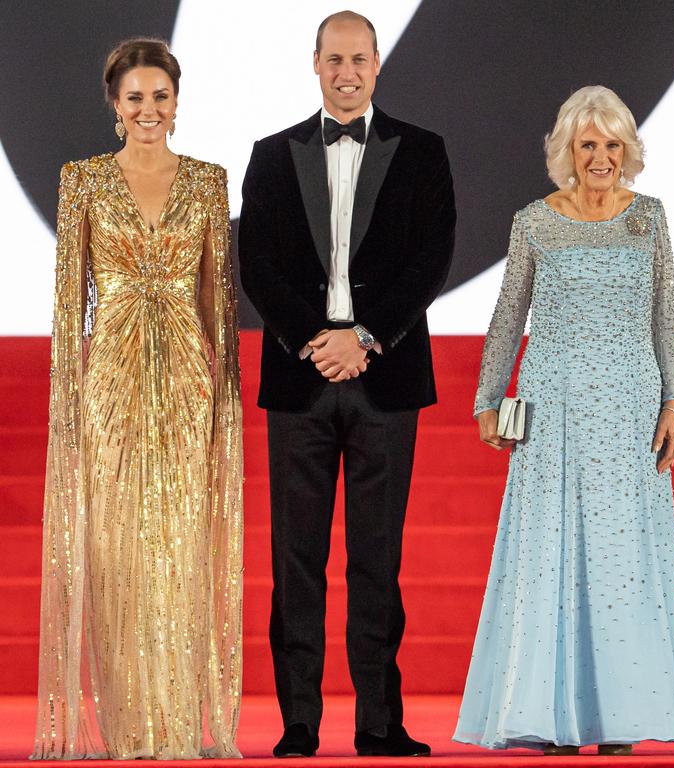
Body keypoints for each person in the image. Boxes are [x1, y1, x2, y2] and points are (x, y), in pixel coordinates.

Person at [453, 85, 674, 756]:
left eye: (611, 144)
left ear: (628, 149)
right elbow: (510, 315)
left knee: (622, 562)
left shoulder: (649, 217)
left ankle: (618, 719)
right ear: (567, 151)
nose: (600, 156)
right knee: (552, 557)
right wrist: (487, 399)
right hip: (555, 405)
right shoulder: (534, 221)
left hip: (630, 408)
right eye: (587, 144)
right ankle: (553, 713)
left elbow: (666, 315)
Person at [238, 10, 455, 759]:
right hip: (300, 381)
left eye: (359, 58)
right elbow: (255, 265)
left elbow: (432, 260)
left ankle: (379, 723)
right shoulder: (271, 155)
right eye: (334, 59)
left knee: (377, 557)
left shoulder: (423, 152)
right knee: (295, 558)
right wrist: (313, 340)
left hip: (384, 375)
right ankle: (298, 723)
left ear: (377, 63)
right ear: (315, 63)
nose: (347, 72)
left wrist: (362, 338)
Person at [32, 38, 243, 760]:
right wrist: (69, 404)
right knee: (119, 549)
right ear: (114, 107)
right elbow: (68, 306)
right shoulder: (81, 181)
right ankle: (128, 727)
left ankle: (179, 721)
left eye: (160, 96)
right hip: (111, 382)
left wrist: (224, 402)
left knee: (179, 546)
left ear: (177, 102)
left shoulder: (210, 182)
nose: (149, 110)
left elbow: (219, 300)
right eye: (135, 98)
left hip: (187, 379)